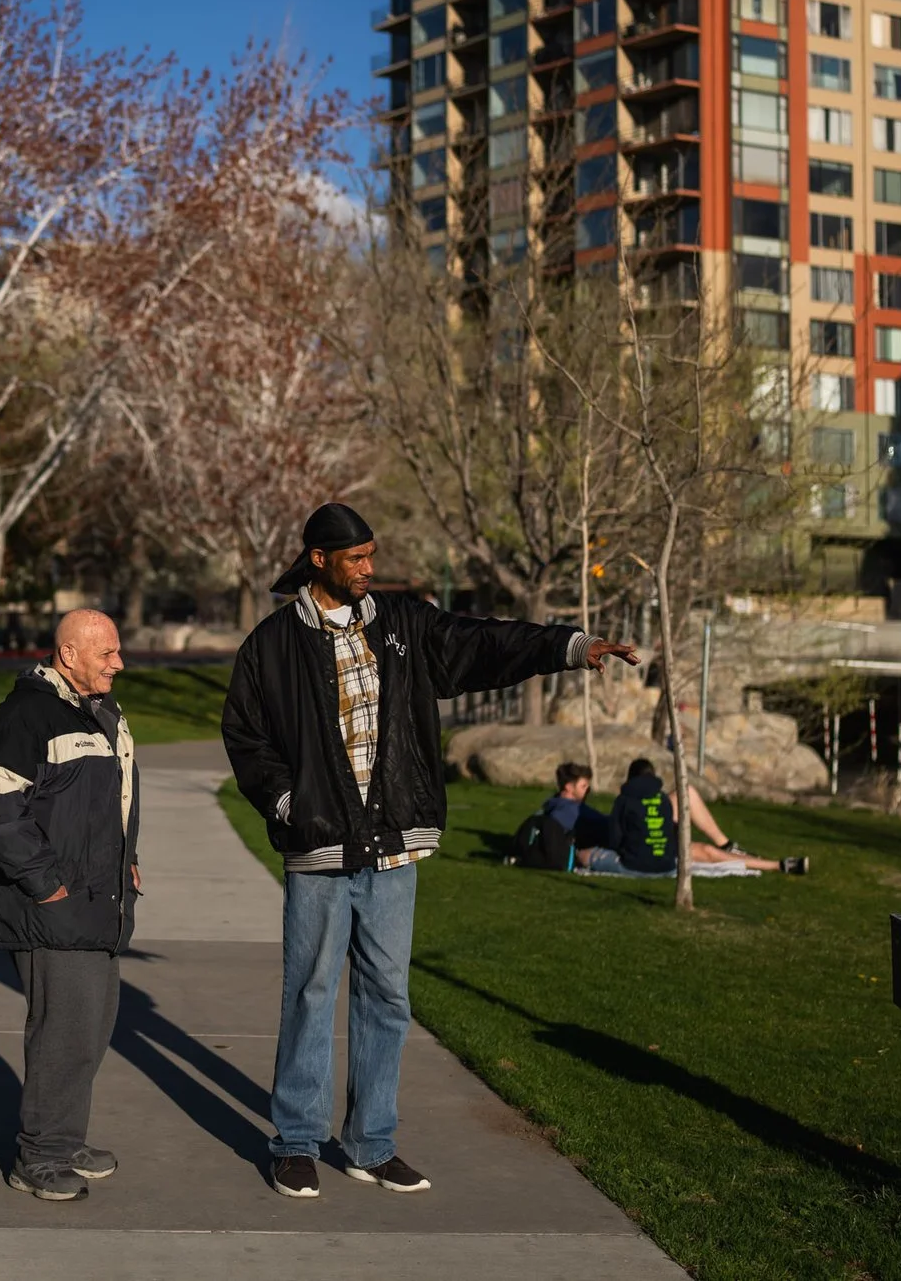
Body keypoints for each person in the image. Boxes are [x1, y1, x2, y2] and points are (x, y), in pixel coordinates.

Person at [222, 503, 635, 1199]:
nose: (368, 569)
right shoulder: (270, 646)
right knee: (312, 994)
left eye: (371, 556)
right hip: (320, 850)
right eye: (355, 559)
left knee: (388, 995)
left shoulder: (404, 626)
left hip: (393, 846)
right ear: (318, 559)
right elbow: (247, 738)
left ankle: (371, 1142)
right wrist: (291, 805)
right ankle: (295, 1139)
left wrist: (568, 645)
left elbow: (486, 643)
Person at [0, 608, 140, 1201]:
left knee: (92, 1026)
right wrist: (48, 886)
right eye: (107, 653)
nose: (119, 662)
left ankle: (65, 1140)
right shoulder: (24, 715)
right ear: (69, 655)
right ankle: (38, 1156)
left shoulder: (100, 711)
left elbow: (110, 801)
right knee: (62, 1031)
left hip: (101, 898)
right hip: (52, 907)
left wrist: (128, 859)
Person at [610, 758, 808, 875]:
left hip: (660, 830)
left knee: (687, 792)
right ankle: (778, 865)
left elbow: (615, 835)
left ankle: (727, 844)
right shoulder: (651, 799)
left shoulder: (627, 800)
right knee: (708, 852)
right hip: (662, 843)